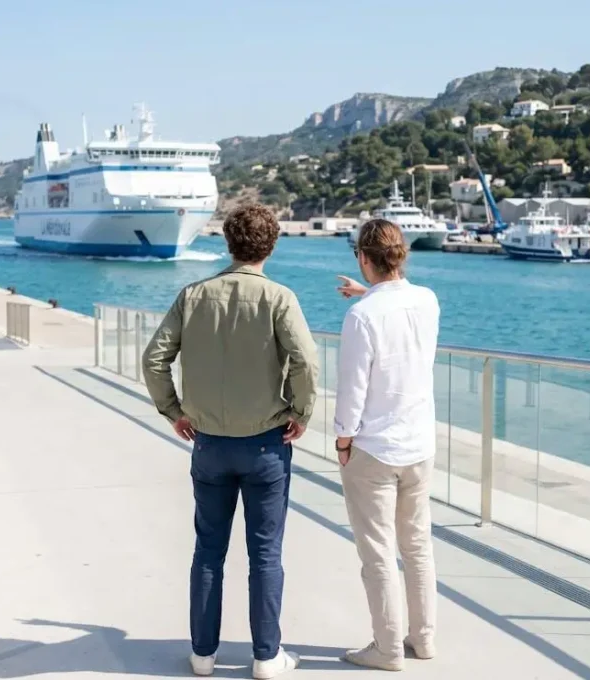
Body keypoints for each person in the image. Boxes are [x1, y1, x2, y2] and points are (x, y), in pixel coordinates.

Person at [142, 203, 318, 679]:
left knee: (208, 551)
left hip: (209, 445)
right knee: (265, 554)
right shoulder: (280, 298)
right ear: (272, 245)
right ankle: (266, 656)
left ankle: (202, 655)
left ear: (228, 243)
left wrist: (174, 411)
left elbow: (154, 360)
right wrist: (300, 412)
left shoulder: (193, 295)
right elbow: (306, 361)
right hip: (266, 444)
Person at [332, 218, 441, 672]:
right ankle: (424, 638)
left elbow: (352, 390)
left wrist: (342, 440)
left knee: (377, 552)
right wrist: (368, 293)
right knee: (417, 546)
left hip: (375, 449)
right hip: (420, 444)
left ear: (362, 257)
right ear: (401, 255)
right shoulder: (427, 301)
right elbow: (397, 311)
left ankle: (387, 648)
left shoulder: (361, 317)